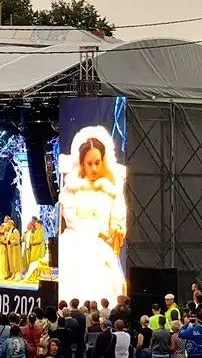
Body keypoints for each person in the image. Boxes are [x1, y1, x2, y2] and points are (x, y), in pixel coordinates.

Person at [56, 127, 126, 303]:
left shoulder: (111, 190)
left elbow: (118, 216)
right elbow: (71, 219)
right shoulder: (72, 189)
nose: (94, 168)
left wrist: (115, 230)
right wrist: (96, 232)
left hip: (105, 244)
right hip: (78, 239)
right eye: (90, 163)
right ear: (82, 163)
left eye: (98, 162)